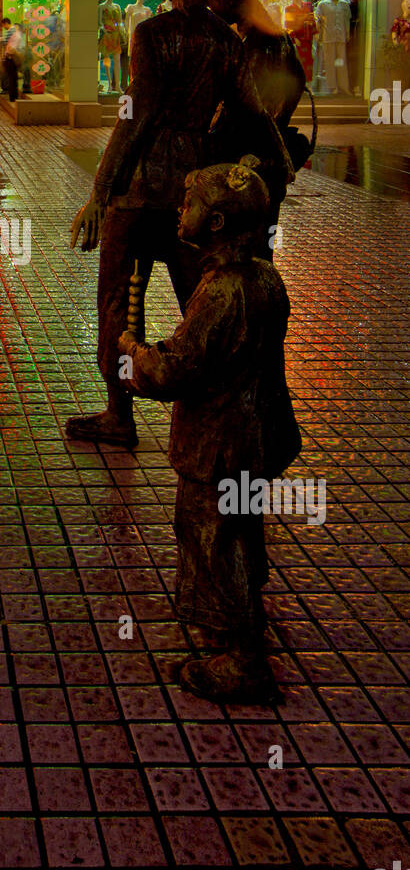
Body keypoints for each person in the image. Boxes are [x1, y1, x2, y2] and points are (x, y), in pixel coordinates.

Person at [67, 0, 295, 450]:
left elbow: (135, 118)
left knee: (119, 303)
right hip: (193, 192)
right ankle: (214, 397)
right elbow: (254, 108)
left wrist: (101, 192)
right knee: (201, 300)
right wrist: (279, 159)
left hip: (140, 190)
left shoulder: (152, 33)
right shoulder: (223, 37)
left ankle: (119, 413)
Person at [119, 156, 302, 704]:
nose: (180, 209)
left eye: (189, 202)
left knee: (213, 540)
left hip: (219, 445)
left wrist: (133, 356)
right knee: (241, 529)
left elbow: (178, 368)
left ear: (216, 223)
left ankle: (245, 659)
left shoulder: (222, 293)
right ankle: (232, 622)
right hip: (257, 439)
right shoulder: (264, 278)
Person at [207, 0, 311, 239]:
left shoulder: (264, 43)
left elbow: (255, 110)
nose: (210, 9)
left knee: (248, 253)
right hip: (254, 163)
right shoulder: (257, 36)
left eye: (212, 0)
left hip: (252, 168)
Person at [314, 0, 351, 95]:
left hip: (340, 35)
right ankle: (332, 86)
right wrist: (319, 35)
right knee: (330, 62)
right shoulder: (323, 4)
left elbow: (347, 20)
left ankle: (343, 86)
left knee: (341, 61)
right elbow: (318, 21)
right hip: (328, 36)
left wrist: (347, 33)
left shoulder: (344, 4)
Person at [1, 19, 23, 102]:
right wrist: (18, 55)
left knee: (12, 78)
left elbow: (8, 46)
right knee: (13, 78)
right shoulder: (16, 35)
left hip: (9, 58)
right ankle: (13, 97)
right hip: (11, 58)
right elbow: (11, 49)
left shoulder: (14, 34)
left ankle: (13, 96)